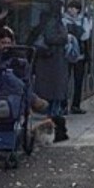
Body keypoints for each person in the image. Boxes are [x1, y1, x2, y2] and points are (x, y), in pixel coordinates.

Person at [30, 12, 72, 142]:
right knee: (53, 103)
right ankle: (55, 130)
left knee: (52, 101)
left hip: (49, 68)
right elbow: (55, 38)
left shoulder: (44, 25)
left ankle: (53, 129)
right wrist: (65, 37)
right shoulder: (55, 25)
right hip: (53, 67)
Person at [63, 0, 90, 114]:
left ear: (78, 10)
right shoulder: (63, 20)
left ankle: (75, 104)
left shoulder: (84, 21)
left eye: (73, 8)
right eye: (70, 8)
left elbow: (85, 36)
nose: (71, 10)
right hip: (68, 53)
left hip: (80, 54)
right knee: (65, 80)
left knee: (78, 80)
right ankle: (63, 105)